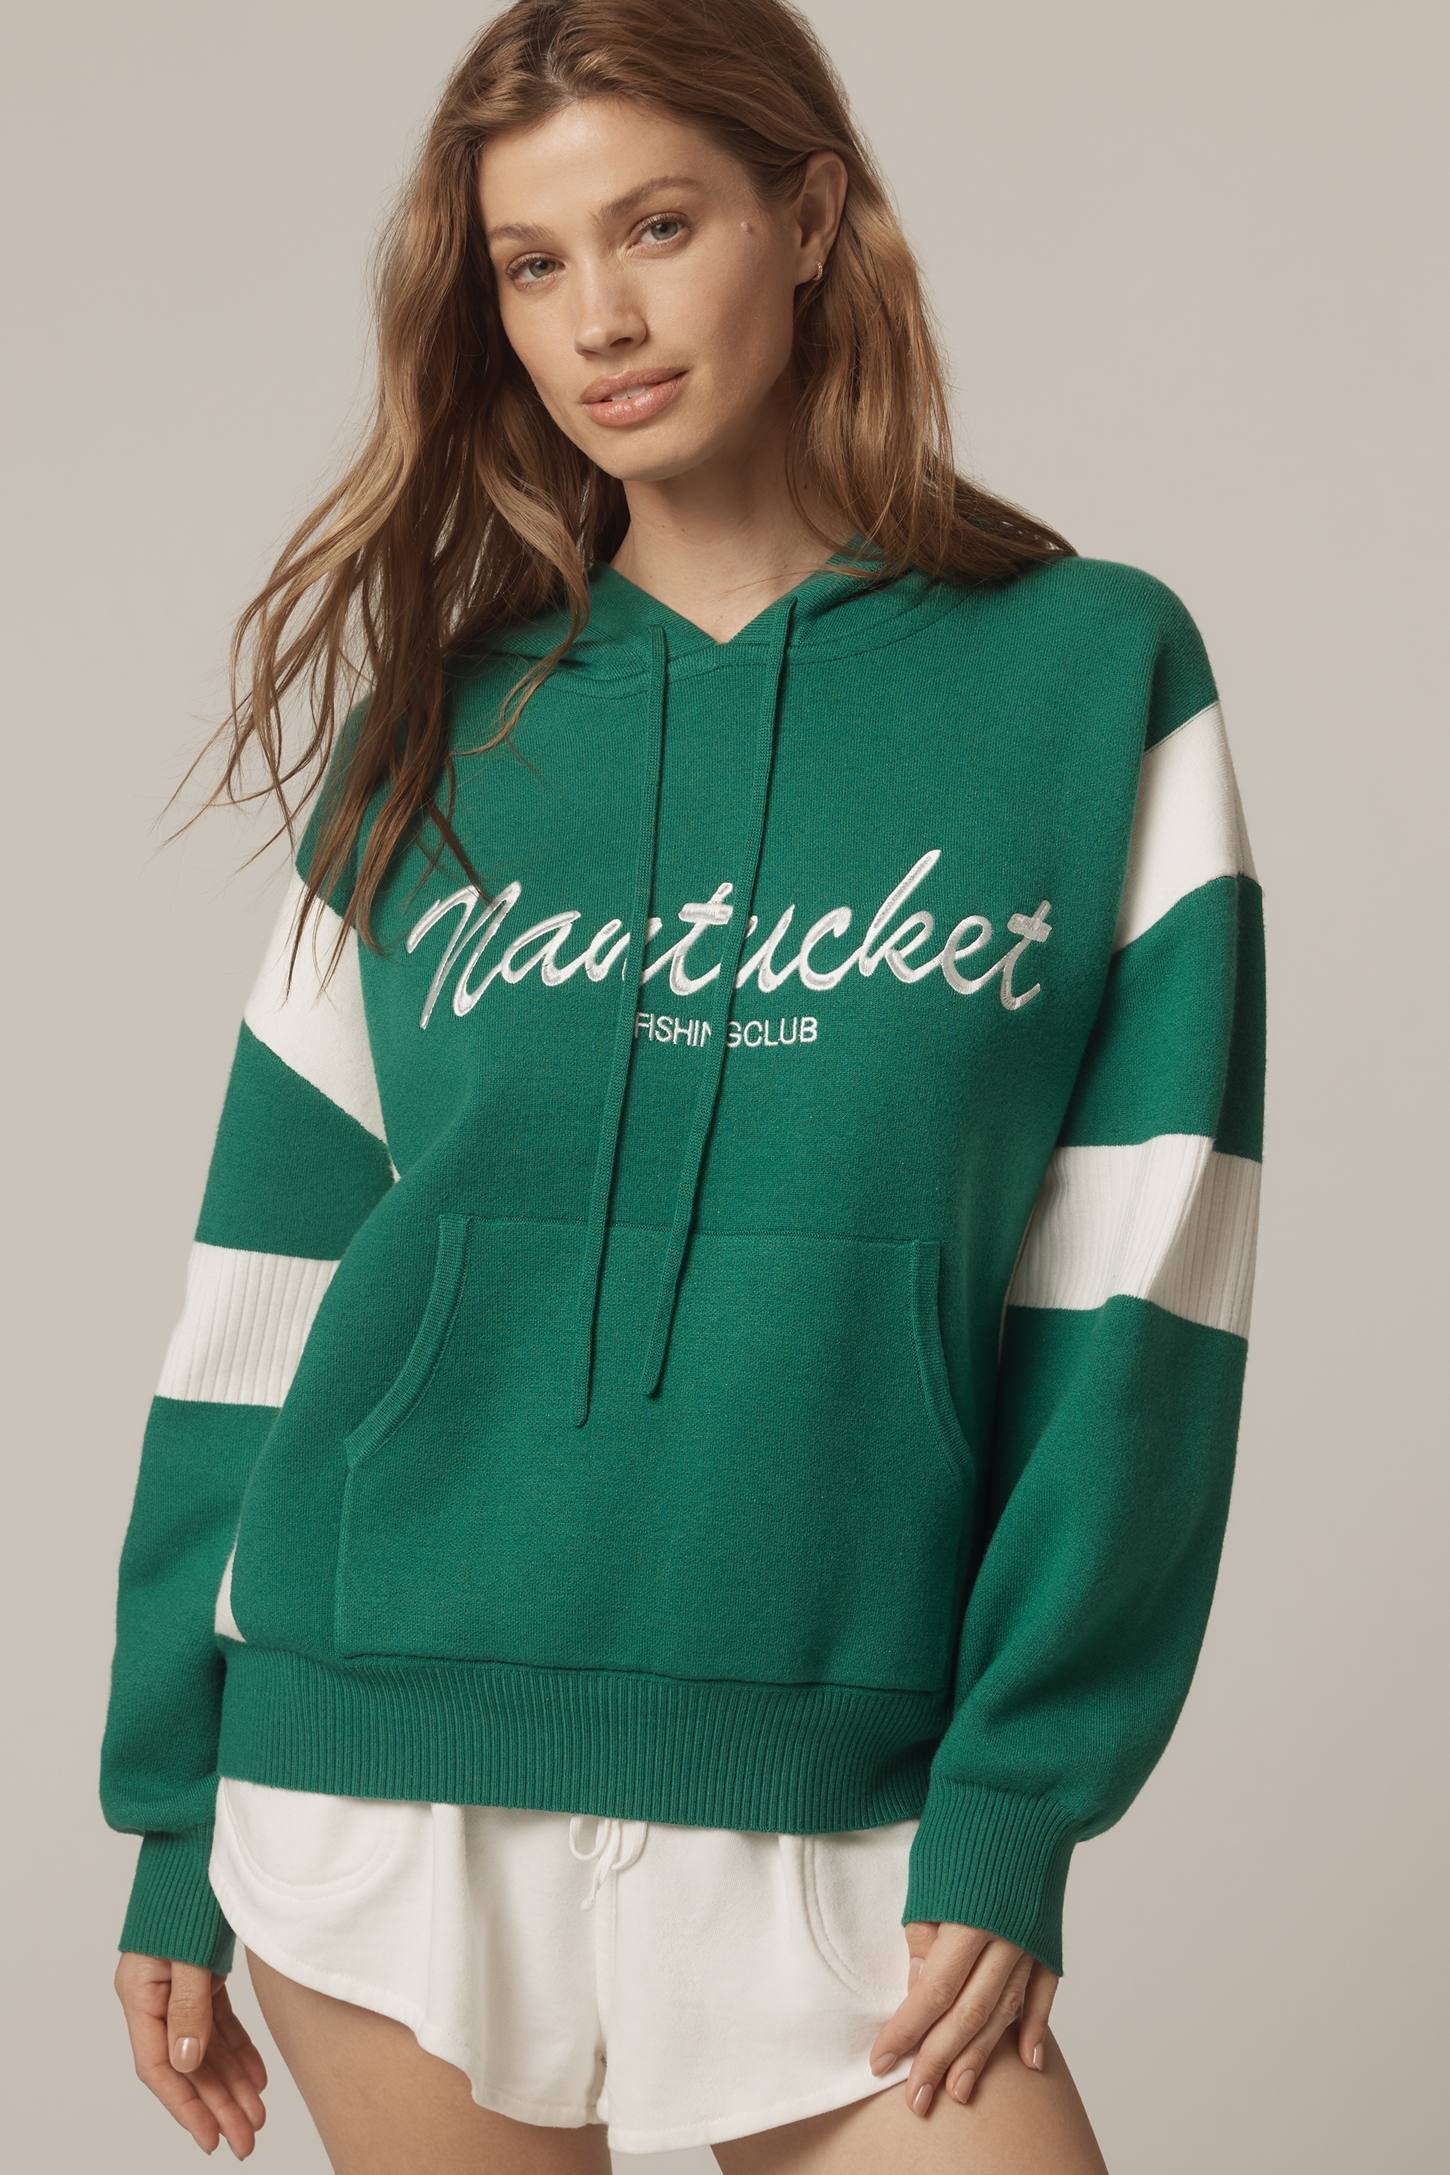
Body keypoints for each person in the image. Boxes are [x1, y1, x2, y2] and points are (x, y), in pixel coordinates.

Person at [98, 1, 1265, 2167]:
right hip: (379, 1758)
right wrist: (172, 1806)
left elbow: (1142, 1284)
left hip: (841, 1757)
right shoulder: (435, 731)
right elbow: (264, 1284)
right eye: (532, 264)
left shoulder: (1088, 674)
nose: (599, 321)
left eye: (656, 226)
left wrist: (1017, 1791)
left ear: (806, 216)